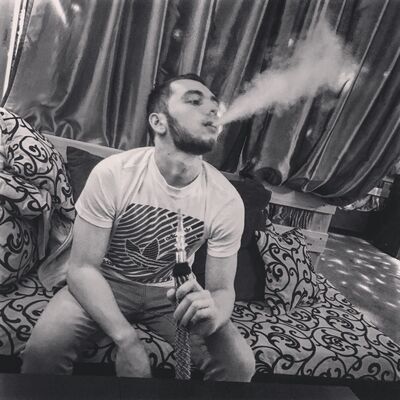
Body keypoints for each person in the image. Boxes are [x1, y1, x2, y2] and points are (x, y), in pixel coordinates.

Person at [22, 74, 255, 381]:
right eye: (194, 101)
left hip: (170, 295)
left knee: (238, 365)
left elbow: (223, 290)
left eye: (214, 103)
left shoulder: (226, 200)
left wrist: (213, 318)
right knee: (43, 351)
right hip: (105, 283)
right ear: (158, 122)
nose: (214, 109)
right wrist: (126, 340)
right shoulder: (114, 174)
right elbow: (82, 268)